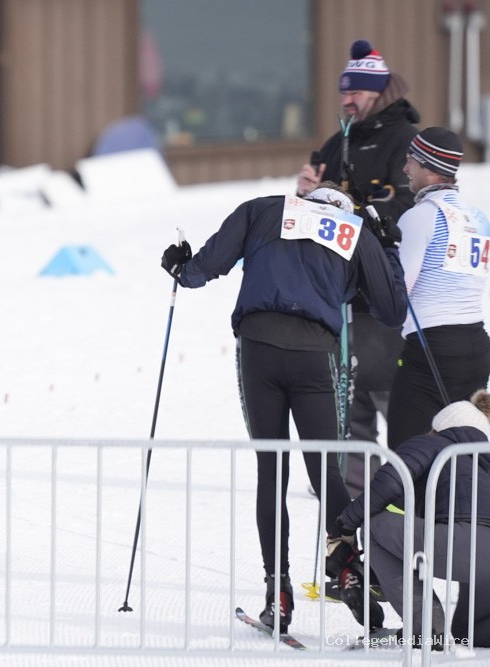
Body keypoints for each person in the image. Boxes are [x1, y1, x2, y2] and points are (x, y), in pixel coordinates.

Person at [160, 183, 407, 633]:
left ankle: (279, 593)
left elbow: (201, 270)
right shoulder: (355, 230)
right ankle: (347, 567)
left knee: (271, 471)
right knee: (326, 471)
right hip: (316, 355)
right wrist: (386, 246)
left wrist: (179, 265)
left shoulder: (264, 208)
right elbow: (392, 310)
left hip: (258, 350)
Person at [296, 39, 419, 496]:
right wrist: (308, 191)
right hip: (341, 295)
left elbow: (406, 204)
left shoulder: (404, 140)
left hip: (386, 293)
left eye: (357, 93)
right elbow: (312, 206)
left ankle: (415, 483)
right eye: (343, 93)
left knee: (394, 395)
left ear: (379, 91)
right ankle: (356, 488)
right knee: (350, 394)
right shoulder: (338, 141)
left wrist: (359, 209)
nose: (346, 101)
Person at [336, 390, 490, 648]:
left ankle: (426, 628)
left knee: (374, 525)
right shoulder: (484, 458)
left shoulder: (434, 442)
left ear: (440, 424)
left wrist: (344, 525)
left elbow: (386, 484)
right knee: (469, 631)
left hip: (464, 544)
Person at [386, 127, 490, 450]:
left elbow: (398, 291)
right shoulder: (478, 217)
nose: (405, 169)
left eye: (411, 162)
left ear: (429, 167)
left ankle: (408, 503)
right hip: (476, 342)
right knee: (462, 451)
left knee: (407, 451)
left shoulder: (421, 215)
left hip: (432, 346)